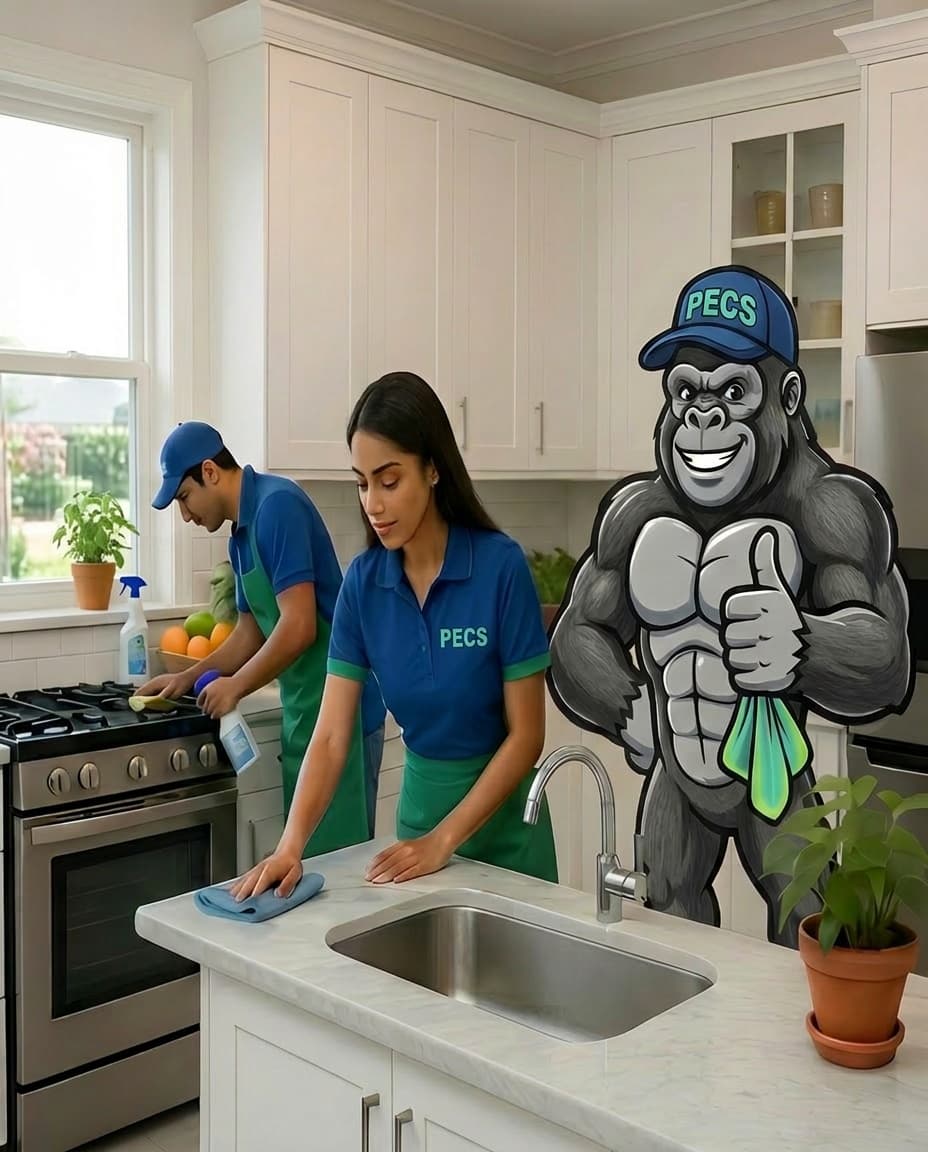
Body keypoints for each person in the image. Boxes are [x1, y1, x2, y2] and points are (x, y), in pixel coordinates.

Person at [232, 372, 556, 900]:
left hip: (508, 841)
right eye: (362, 483)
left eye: (389, 480)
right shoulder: (364, 584)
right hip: (417, 835)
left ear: (432, 469)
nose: (373, 505)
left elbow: (527, 737)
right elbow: (333, 734)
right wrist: (290, 845)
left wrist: (443, 840)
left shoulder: (500, 568)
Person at [139, 421, 386, 853]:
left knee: (338, 869)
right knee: (308, 862)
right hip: (304, 712)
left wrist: (234, 686)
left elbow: (299, 625)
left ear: (210, 472)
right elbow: (249, 633)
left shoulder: (277, 507)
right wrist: (187, 677)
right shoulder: (240, 535)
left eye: (184, 498)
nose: (186, 514)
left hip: (342, 714)